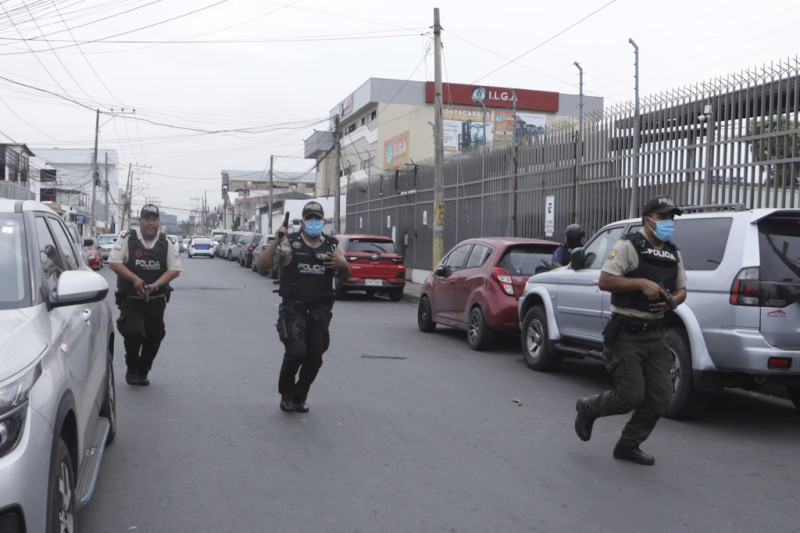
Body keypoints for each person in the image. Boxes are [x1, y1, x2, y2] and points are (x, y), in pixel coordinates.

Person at [573, 196, 687, 465]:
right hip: (626, 333)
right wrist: (641, 284)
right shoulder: (628, 246)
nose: (669, 223)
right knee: (631, 395)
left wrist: (671, 302)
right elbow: (605, 280)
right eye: (663, 218)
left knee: (660, 400)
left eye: (672, 218)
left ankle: (628, 445)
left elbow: (682, 290)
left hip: (657, 335)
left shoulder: (673, 252)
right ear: (648, 220)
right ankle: (588, 408)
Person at [256, 201, 350, 413]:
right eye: (310, 219)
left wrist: (343, 265)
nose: (314, 222)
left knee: (315, 358)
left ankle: (300, 395)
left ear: (323, 221)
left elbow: (345, 276)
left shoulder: (333, 245)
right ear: (303, 221)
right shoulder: (290, 242)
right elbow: (262, 265)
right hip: (293, 311)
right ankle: (287, 394)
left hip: (320, 312)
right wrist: (275, 242)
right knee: (296, 352)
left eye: (318, 219)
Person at [109, 204, 181, 386]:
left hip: (156, 301)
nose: (150, 223)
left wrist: (155, 285)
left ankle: (143, 369)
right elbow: (114, 262)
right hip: (131, 300)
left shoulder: (168, 242)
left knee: (154, 337)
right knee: (134, 332)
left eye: (154, 219)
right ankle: (132, 366)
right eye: (146, 219)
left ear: (159, 222)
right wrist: (134, 279)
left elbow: (174, 270)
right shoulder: (127, 238)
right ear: (140, 221)